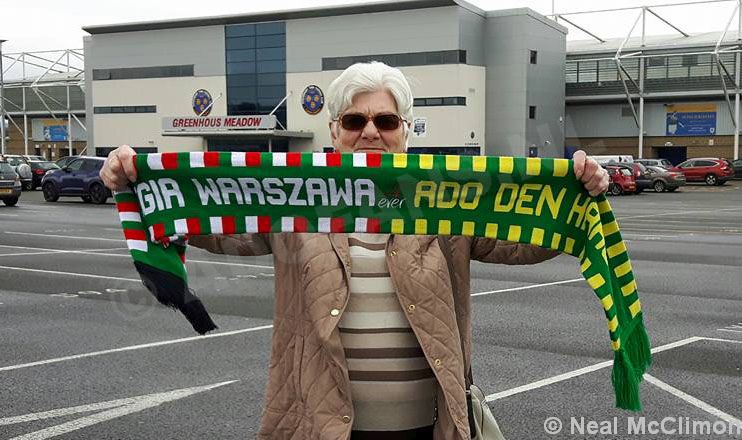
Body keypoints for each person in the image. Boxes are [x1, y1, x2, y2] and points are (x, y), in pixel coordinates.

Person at [101, 62, 608, 440]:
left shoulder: (444, 197)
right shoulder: (293, 195)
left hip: (428, 427)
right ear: (334, 132)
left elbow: (524, 241)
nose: (370, 131)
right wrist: (137, 179)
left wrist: (581, 192)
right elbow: (215, 222)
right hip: (322, 425)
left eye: (386, 121)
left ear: (406, 131)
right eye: (354, 120)